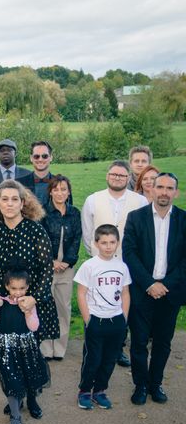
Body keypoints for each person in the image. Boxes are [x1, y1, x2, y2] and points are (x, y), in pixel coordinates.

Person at [0, 179, 58, 418]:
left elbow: (47, 268)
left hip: (32, 304)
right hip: (6, 307)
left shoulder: (36, 230)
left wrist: (34, 298)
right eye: (5, 199)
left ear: (23, 203)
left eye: (15, 199)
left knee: (31, 355)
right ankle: (15, 394)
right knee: (8, 356)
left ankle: (32, 397)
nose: (10, 203)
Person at [123, 172, 186, 406]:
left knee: (163, 342)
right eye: (160, 187)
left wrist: (164, 285)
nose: (164, 192)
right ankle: (140, 385)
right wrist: (149, 283)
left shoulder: (183, 219)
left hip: (170, 293)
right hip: (142, 291)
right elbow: (129, 253)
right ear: (152, 189)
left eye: (170, 188)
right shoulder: (136, 218)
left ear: (176, 193)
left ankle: (155, 383)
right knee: (139, 341)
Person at [81, 160, 147, 367]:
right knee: (97, 302)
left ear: (128, 178)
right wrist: (97, 257)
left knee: (123, 303)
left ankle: (118, 346)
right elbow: (87, 232)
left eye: (122, 175)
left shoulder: (140, 201)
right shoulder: (93, 200)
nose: (117, 178)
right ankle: (93, 345)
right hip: (101, 263)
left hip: (129, 263)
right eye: (114, 174)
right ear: (108, 176)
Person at [0, 269, 49, 424]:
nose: (18, 292)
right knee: (11, 380)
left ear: (27, 288)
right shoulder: (0, 302)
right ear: (7, 287)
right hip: (5, 350)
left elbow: (34, 326)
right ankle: (15, 416)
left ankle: (32, 402)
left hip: (26, 348)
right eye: (14, 288)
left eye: (22, 288)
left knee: (30, 376)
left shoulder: (29, 304)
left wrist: (28, 312)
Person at [75, 224, 130, 410]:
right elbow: (81, 293)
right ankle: (84, 391)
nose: (108, 246)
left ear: (117, 243)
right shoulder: (89, 266)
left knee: (109, 359)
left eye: (112, 242)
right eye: (104, 242)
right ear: (96, 243)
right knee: (93, 359)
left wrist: (124, 318)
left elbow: (125, 293)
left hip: (116, 321)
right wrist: (88, 319)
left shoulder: (122, 266)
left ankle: (99, 391)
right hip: (96, 320)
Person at [39, 175, 81, 361]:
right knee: (46, 306)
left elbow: (76, 239)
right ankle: (46, 348)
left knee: (63, 308)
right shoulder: (43, 213)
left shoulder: (74, 213)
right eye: (56, 189)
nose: (60, 193)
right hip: (47, 268)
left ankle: (60, 348)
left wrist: (67, 261)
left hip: (66, 268)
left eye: (63, 189)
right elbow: (40, 240)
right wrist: (51, 261)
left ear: (69, 192)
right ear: (50, 192)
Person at [17, 141, 72, 206]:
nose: (40, 159)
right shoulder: (19, 184)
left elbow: (68, 209)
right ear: (31, 158)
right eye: (36, 156)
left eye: (44, 156)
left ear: (51, 157)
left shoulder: (62, 184)